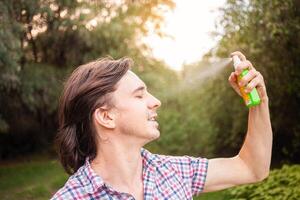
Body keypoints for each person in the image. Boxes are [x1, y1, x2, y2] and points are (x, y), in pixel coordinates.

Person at [51, 51, 272, 200]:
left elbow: (252, 168)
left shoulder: (176, 172)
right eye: (139, 96)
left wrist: (259, 103)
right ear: (106, 117)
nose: (156, 101)